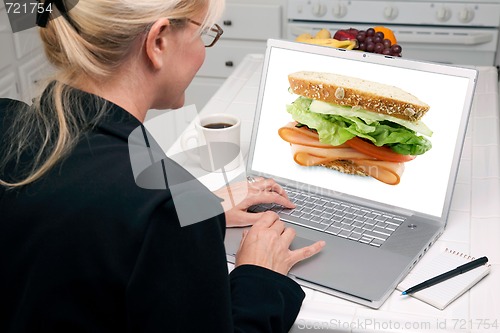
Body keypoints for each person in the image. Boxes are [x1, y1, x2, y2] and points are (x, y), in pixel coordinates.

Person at [0, 0, 325, 332]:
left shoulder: (7, 119)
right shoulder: (162, 212)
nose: (203, 50)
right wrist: (261, 276)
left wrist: (198, 205)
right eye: (204, 34)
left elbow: (95, 167)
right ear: (158, 42)